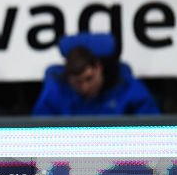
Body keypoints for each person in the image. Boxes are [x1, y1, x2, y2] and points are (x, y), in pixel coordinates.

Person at [32, 33, 160, 116]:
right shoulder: (56, 91)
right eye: (77, 82)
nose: (85, 87)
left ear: (98, 68)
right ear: (68, 78)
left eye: (89, 79)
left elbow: (154, 131)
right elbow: (38, 133)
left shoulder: (127, 88)